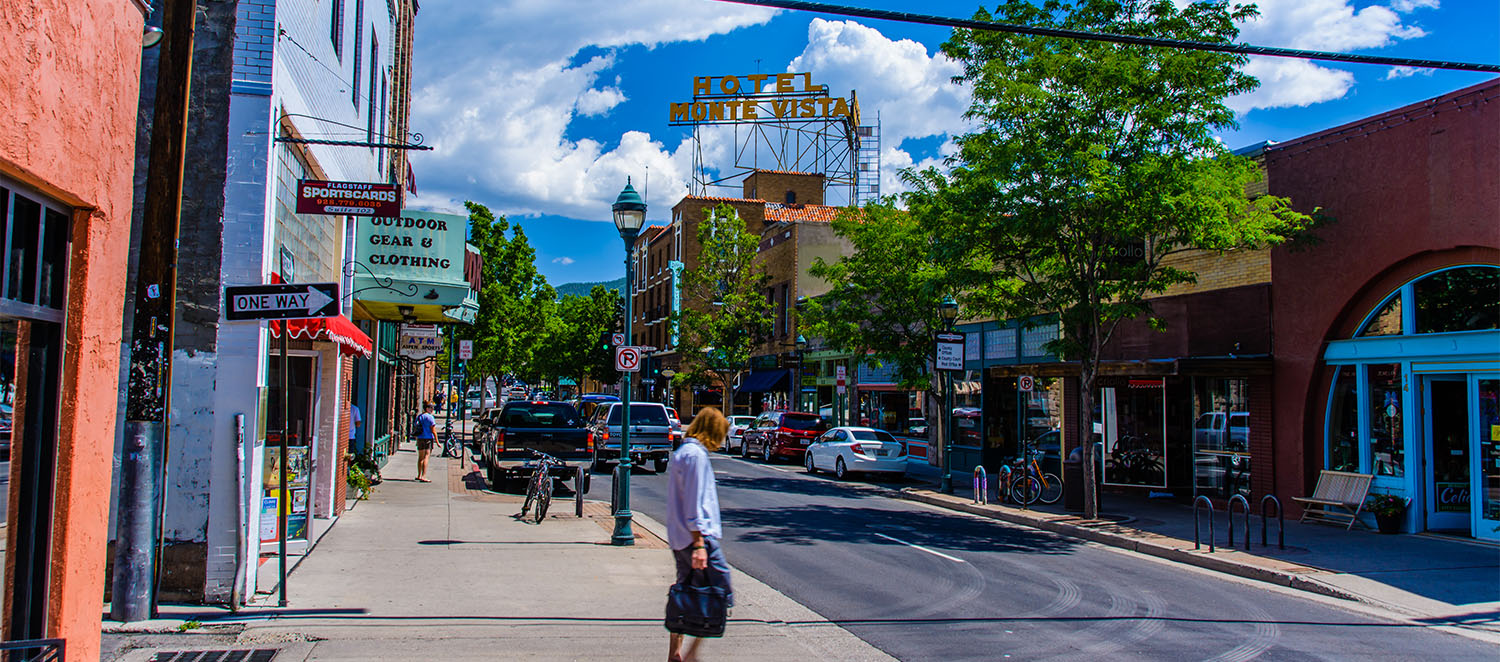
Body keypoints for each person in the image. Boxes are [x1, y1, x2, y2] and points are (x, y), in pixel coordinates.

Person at [666, 407, 732, 662]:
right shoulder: (696, 456)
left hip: (681, 537)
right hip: (697, 538)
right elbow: (695, 503)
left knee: (685, 593)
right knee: (721, 591)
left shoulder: (684, 452)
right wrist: (699, 544)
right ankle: (692, 654)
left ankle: (675, 653)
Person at [414, 402, 437, 482]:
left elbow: (415, 426)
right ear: (427, 408)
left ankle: (419, 475)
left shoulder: (420, 416)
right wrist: (437, 441)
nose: (432, 409)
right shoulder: (430, 417)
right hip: (428, 438)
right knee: (426, 456)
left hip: (420, 438)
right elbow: (433, 430)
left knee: (420, 457)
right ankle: (424, 476)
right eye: (431, 408)